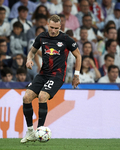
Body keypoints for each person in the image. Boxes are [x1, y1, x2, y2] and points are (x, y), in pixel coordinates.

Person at [21, 15, 81, 143]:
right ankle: (30, 131)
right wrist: (29, 60)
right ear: (48, 25)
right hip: (43, 74)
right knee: (26, 97)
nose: (53, 30)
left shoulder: (66, 39)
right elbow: (32, 51)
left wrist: (76, 75)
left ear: (60, 27)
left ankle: (40, 130)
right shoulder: (42, 37)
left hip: (57, 75)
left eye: (56, 28)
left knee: (42, 96)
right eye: (51, 27)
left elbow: (78, 56)